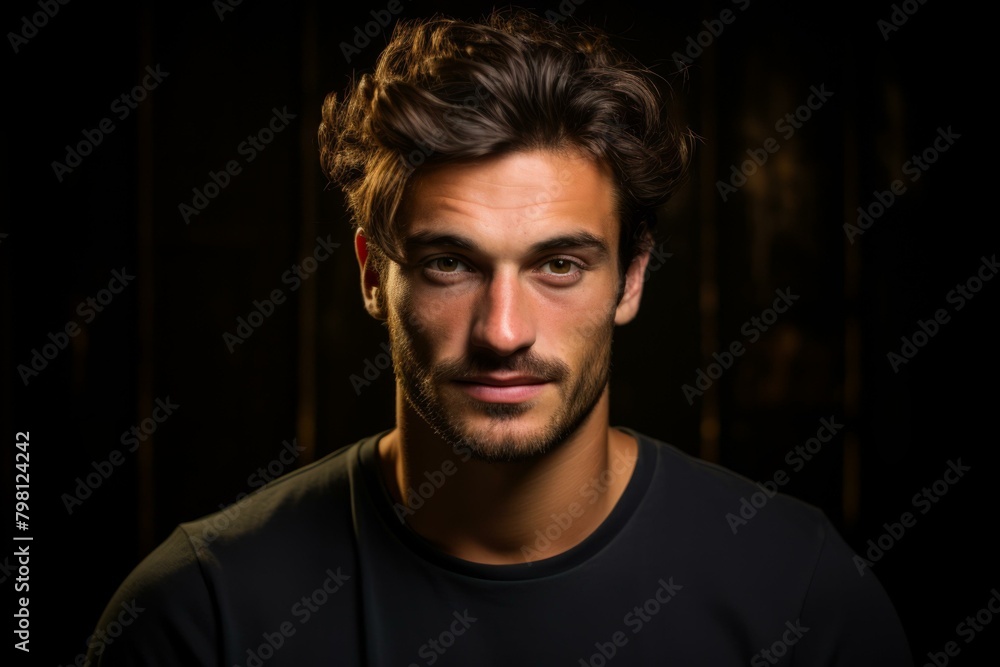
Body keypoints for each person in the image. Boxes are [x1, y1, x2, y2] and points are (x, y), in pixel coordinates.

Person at [86, 10, 913, 666]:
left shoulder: (799, 596)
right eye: (450, 263)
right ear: (374, 275)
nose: (504, 332)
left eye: (558, 264)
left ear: (630, 278)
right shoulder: (202, 614)